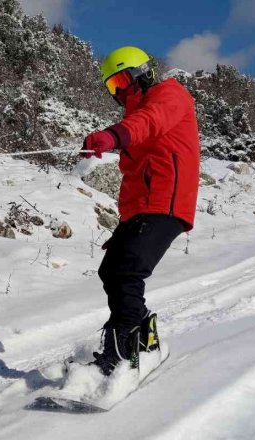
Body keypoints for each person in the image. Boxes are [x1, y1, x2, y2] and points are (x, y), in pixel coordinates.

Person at [81, 46, 199, 375]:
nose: (118, 91)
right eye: (111, 86)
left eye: (120, 80)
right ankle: (144, 341)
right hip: (142, 210)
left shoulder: (169, 95)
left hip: (167, 201)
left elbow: (150, 121)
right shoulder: (132, 119)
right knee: (111, 270)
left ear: (140, 74)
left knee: (127, 271)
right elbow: (135, 172)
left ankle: (122, 357)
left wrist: (112, 136)